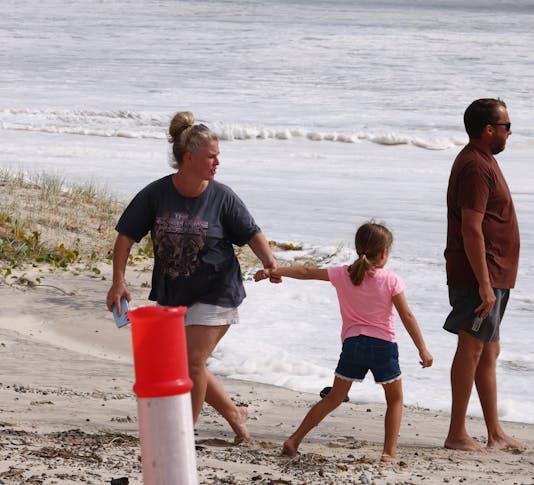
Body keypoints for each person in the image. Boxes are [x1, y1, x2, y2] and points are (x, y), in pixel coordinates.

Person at [105, 111, 280, 443]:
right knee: (191, 364)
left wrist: (270, 261)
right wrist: (119, 281)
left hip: (218, 288)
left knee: (191, 361)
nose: (217, 163)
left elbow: (251, 232)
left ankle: (184, 433)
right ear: (189, 158)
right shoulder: (156, 194)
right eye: (211, 156)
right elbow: (126, 236)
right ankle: (234, 414)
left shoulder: (222, 196)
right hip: (175, 292)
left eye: (218, 156)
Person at [254, 222, 433, 462]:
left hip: (353, 345)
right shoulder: (391, 280)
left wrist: (276, 270)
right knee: (395, 400)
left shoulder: (343, 274)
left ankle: (294, 439)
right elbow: (407, 315)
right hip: (383, 347)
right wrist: (422, 349)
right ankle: (389, 453)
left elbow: (307, 272)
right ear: (383, 253)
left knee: (334, 398)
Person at [442, 98, 525, 452]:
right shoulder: (475, 166)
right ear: (489, 130)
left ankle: (494, 432)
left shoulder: (484, 161)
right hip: (480, 275)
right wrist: (485, 285)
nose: (510, 133)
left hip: (494, 273)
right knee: (471, 346)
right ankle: (457, 433)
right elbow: (471, 230)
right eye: (507, 126)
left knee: (489, 351)